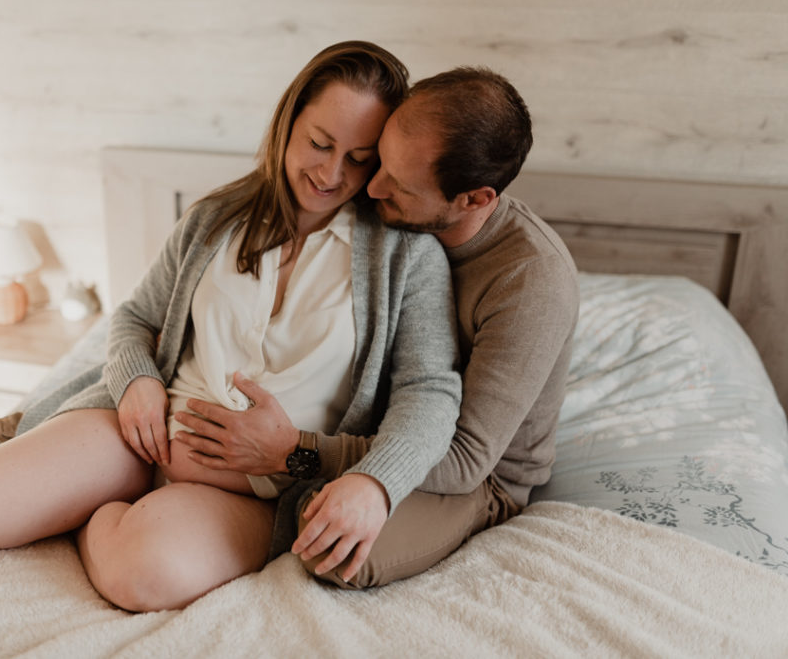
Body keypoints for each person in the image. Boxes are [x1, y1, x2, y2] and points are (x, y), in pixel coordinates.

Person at [0, 40, 463, 611]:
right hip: (139, 435)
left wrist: (377, 483)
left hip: (257, 490)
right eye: (319, 142)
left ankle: (86, 507)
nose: (332, 173)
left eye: (359, 158)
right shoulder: (215, 219)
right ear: (289, 122)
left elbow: (429, 393)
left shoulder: (406, 259)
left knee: (145, 575)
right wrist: (137, 381)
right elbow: (136, 318)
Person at [175, 66, 580, 587]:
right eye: (378, 161)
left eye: (402, 184)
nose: (372, 186)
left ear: (474, 199)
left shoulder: (531, 283)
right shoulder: (380, 209)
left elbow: (463, 460)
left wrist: (295, 452)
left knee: (333, 547)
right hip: (378, 419)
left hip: (472, 477)